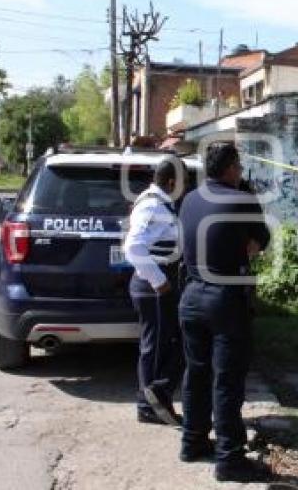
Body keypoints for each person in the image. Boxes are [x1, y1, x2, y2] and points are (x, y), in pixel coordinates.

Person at [177, 142, 271, 483]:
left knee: (196, 374)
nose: (241, 172)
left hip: (190, 295)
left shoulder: (188, 199)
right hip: (225, 298)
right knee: (227, 380)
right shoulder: (242, 200)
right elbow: (258, 243)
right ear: (231, 168)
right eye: (240, 167)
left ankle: (193, 441)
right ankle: (230, 458)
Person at [123, 159, 186, 426]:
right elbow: (133, 247)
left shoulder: (160, 204)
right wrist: (159, 281)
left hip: (158, 284)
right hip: (153, 287)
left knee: (161, 346)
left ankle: (153, 402)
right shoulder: (152, 206)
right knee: (156, 348)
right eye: (183, 181)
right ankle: (149, 406)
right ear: (171, 182)